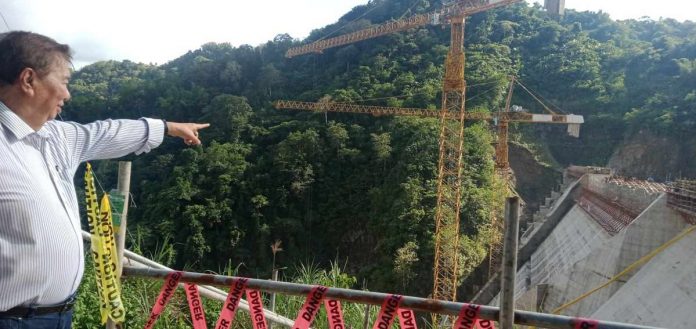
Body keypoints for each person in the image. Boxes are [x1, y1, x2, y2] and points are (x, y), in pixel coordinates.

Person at [0, 31, 210, 328]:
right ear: (28, 80)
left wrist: (168, 128)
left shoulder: (54, 136)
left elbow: (106, 132)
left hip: (59, 316)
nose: (67, 94)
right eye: (64, 82)